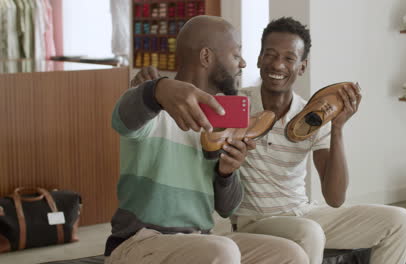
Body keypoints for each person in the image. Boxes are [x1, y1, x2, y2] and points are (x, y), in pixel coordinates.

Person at [105, 15, 309, 264]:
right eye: (236, 55)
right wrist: (158, 89)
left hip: (199, 240)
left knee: (290, 254)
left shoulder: (221, 121)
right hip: (139, 243)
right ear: (206, 57)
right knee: (222, 251)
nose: (243, 63)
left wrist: (226, 173)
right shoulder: (154, 107)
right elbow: (120, 119)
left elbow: (227, 209)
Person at [231, 17, 406, 264]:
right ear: (259, 58)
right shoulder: (237, 104)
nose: (277, 64)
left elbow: (335, 198)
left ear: (302, 67)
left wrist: (337, 127)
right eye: (270, 54)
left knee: (400, 220)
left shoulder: (312, 116)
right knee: (309, 232)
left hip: (302, 214)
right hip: (255, 221)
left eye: (289, 58)